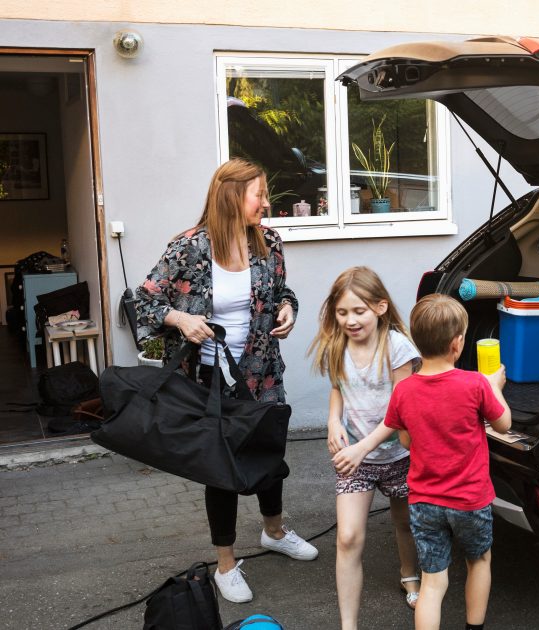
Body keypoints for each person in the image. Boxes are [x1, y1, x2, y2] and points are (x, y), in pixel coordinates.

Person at [136, 158, 317, 604]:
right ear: (233, 195)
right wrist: (180, 318)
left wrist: (288, 309)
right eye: (260, 194)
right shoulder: (189, 247)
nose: (267, 203)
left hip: (262, 369)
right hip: (209, 377)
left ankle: (274, 531)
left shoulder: (268, 241)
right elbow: (143, 303)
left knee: (269, 451)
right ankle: (225, 564)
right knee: (221, 467)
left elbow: (281, 292)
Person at [334, 294, 511, 630]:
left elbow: (403, 439)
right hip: (469, 500)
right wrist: (496, 387)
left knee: (433, 581)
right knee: (479, 560)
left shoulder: (404, 391)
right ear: (457, 344)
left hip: (425, 501)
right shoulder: (475, 384)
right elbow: (504, 425)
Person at [309, 266, 422, 626]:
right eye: (342, 312)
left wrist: (361, 448)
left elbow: (400, 412)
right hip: (356, 460)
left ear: (380, 307)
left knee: (403, 523)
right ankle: (348, 625)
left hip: (401, 455)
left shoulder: (398, 348)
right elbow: (337, 390)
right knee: (347, 537)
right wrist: (332, 422)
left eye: (358, 311)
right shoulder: (336, 345)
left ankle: (409, 574)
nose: (350, 320)